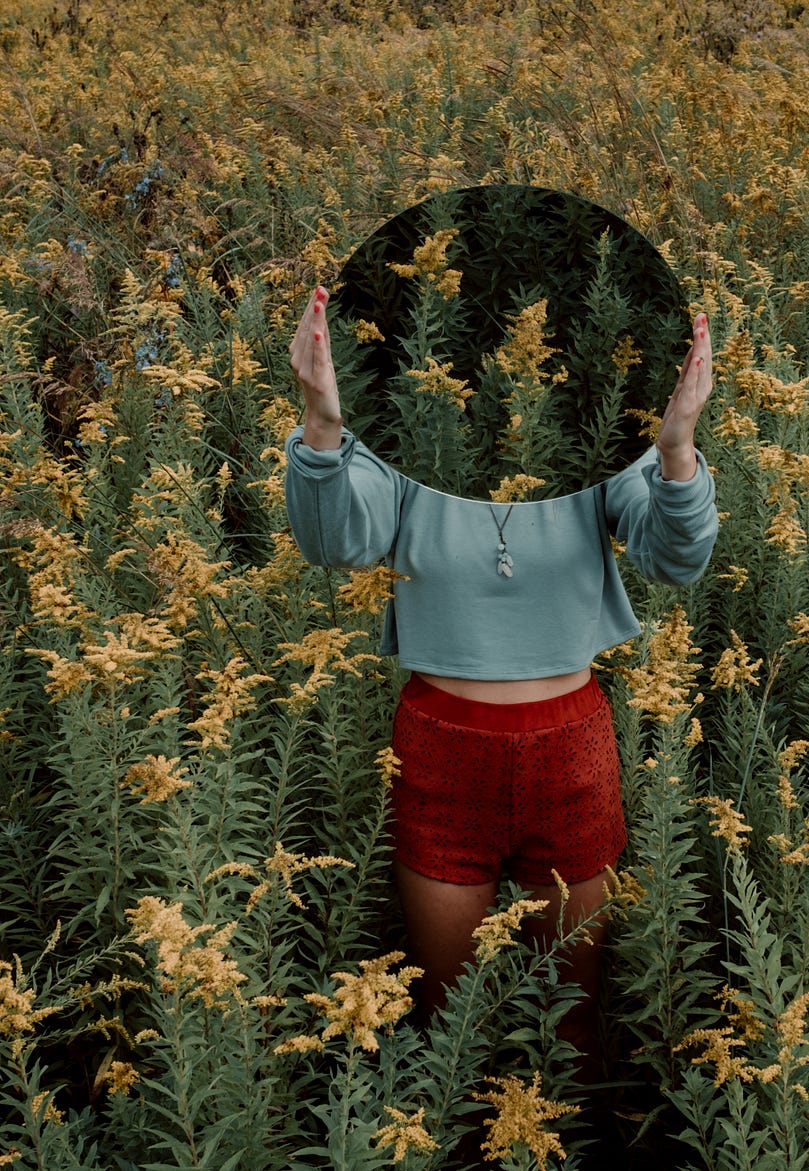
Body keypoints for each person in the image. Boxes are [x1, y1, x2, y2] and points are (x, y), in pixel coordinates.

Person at [285, 283, 718, 1077]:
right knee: (454, 1032)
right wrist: (322, 424)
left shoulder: (598, 458)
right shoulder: (406, 446)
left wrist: (678, 449)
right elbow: (336, 542)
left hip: (572, 751)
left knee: (575, 1024)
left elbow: (676, 557)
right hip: (441, 754)